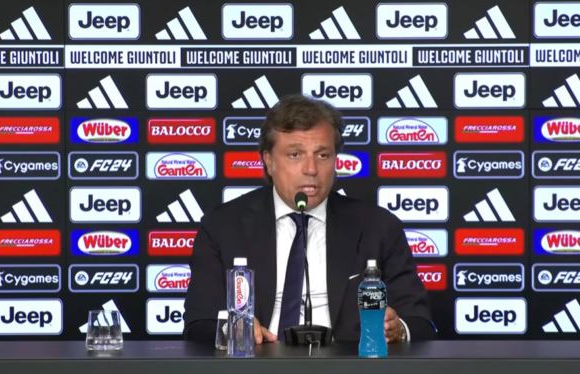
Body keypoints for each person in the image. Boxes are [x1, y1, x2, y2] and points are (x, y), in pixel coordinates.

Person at [183, 94, 435, 344]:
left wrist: (397, 329)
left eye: (323, 155)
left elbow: (419, 322)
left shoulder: (378, 227)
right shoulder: (222, 226)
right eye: (295, 154)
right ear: (269, 162)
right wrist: (232, 330)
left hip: (348, 365)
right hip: (258, 362)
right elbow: (199, 324)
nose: (311, 169)